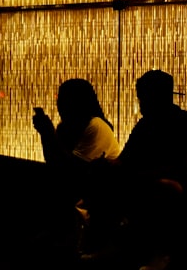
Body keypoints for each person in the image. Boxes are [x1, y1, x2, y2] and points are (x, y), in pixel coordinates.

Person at [113, 69, 187, 270]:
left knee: (163, 188)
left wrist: (139, 176)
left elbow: (184, 169)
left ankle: (163, 252)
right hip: (148, 180)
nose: (141, 104)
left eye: (145, 98)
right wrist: (106, 167)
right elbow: (125, 159)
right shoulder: (145, 125)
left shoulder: (186, 123)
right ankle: (110, 241)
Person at [31, 78, 121, 252]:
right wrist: (46, 135)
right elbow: (55, 162)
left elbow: (75, 170)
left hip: (102, 187)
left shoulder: (96, 126)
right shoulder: (66, 128)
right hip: (79, 182)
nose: (60, 105)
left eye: (65, 100)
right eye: (59, 100)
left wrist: (49, 135)